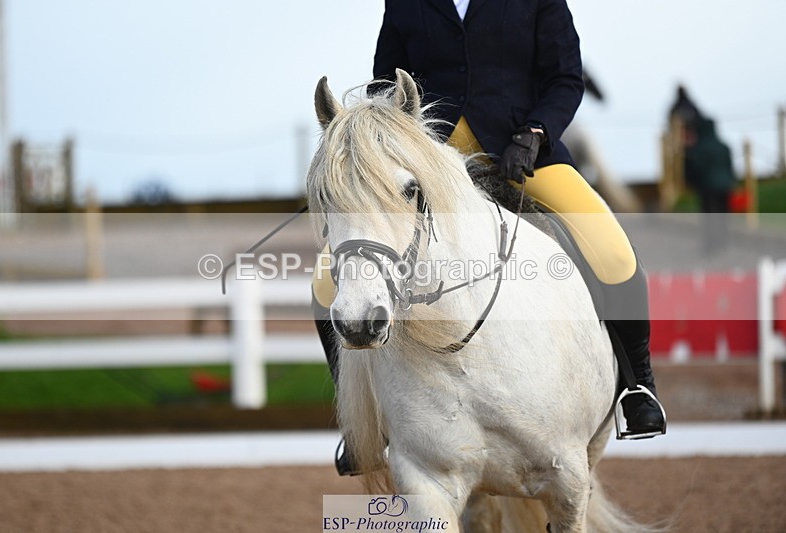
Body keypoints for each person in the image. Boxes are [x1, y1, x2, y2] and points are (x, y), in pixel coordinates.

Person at [313, 0, 666, 476]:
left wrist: (535, 134)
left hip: (523, 152)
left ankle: (637, 388)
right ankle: (363, 425)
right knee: (324, 282)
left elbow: (565, 78)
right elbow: (384, 86)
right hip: (427, 162)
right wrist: (374, 152)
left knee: (613, 251)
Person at [684, 116, 737, 253]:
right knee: (723, 215)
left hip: (708, 188)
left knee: (709, 217)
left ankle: (711, 244)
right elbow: (730, 167)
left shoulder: (700, 148)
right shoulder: (724, 146)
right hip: (725, 186)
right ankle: (723, 242)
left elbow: (697, 167)